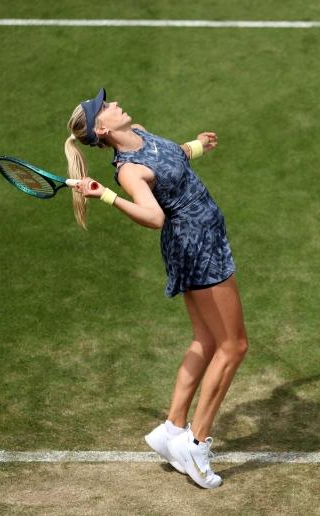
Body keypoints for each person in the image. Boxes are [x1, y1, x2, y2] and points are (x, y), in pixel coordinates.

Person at [64, 88, 248, 489]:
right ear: (101, 129)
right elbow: (153, 216)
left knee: (206, 339)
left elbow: (171, 157)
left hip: (206, 239)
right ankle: (196, 444)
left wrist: (196, 146)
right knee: (233, 346)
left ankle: (172, 430)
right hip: (196, 248)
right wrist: (106, 195)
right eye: (105, 107)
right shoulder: (128, 171)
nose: (114, 104)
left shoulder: (141, 133)